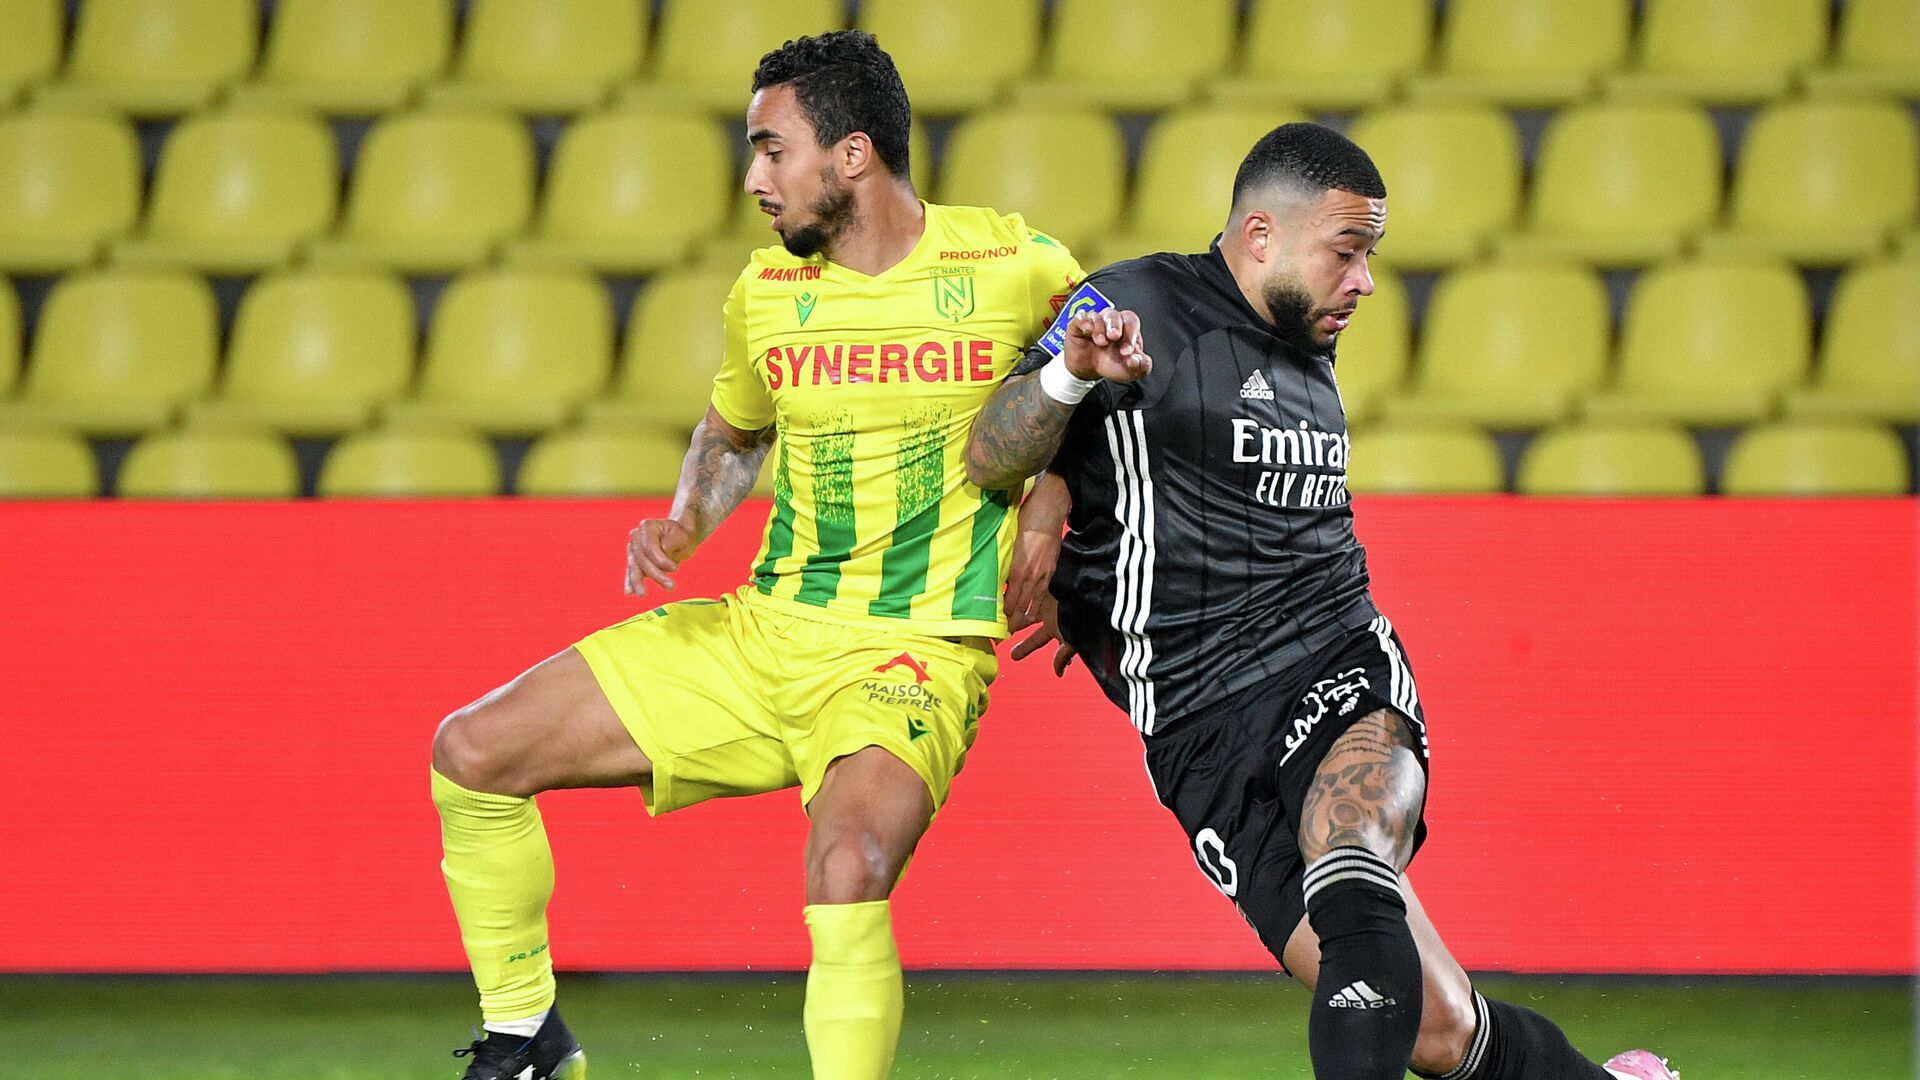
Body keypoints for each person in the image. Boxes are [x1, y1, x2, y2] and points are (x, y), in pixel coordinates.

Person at [429, 31, 1085, 1080]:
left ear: (853, 155)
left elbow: (1119, 395)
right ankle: (526, 1040)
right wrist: (690, 517)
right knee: (470, 752)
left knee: (849, 864)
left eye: (773, 150)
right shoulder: (768, 292)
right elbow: (734, 433)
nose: (753, 179)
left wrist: (1055, 523)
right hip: (759, 635)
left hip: (910, 652)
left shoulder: (1019, 263)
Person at [965, 122, 1680, 1080]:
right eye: (1348, 253)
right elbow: (991, 452)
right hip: (1194, 730)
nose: (1366, 281)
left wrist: (1063, 505)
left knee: (1353, 872)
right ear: (1260, 235)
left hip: (1334, 660)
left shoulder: (1307, 335)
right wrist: (1065, 384)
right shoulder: (1133, 306)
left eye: (1371, 255)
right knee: (1433, 1028)